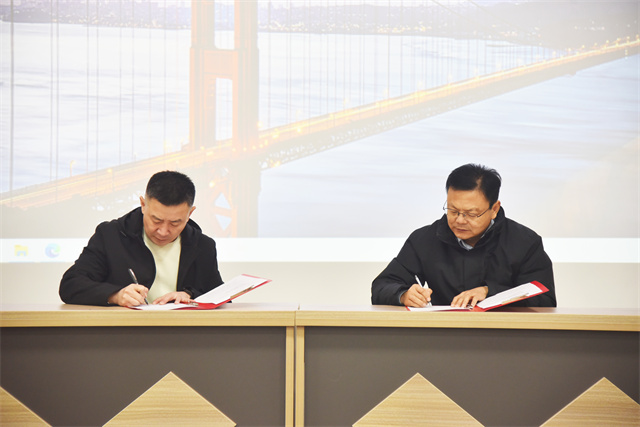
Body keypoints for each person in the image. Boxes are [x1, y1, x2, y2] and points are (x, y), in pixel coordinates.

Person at [372, 163, 556, 308]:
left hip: (505, 338)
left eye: (471, 214)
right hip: (443, 336)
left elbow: (545, 300)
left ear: (494, 209)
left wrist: (490, 292)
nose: (459, 220)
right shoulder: (425, 239)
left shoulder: (524, 242)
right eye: (453, 210)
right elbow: (382, 285)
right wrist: (403, 295)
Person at [59, 171, 223, 307]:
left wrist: (190, 296)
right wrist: (116, 295)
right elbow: (70, 285)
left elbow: (221, 296)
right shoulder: (111, 235)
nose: (163, 231)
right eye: (156, 220)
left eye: (175, 223)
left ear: (190, 214)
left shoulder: (203, 245)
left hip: (183, 332)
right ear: (143, 205)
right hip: (122, 331)